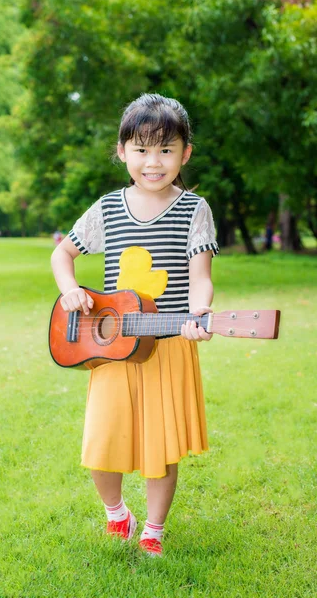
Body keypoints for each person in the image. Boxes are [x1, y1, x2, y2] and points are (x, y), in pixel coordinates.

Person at [51, 93, 219, 557]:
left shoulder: (194, 209)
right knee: (102, 441)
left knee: (160, 446)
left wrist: (199, 314)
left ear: (185, 154)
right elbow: (62, 253)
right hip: (113, 346)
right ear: (122, 151)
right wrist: (70, 289)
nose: (153, 161)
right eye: (142, 149)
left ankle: (154, 528)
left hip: (167, 343)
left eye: (166, 149)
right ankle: (116, 512)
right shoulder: (107, 208)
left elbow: (200, 279)